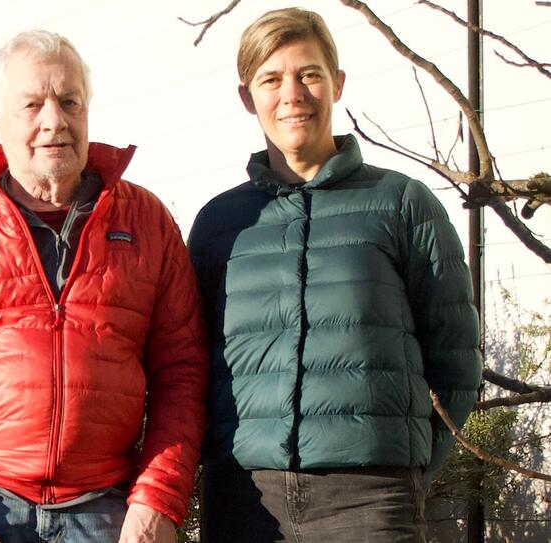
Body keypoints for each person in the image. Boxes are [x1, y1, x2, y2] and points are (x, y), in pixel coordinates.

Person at [0, 29, 209, 543]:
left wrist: (159, 500)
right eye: (32, 104)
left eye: (69, 100)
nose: (54, 120)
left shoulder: (145, 222)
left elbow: (182, 372)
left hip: (108, 512)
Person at [187, 8, 483, 542]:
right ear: (247, 97)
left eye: (309, 74)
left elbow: (457, 359)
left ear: (337, 83)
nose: (292, 94)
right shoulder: (218, 224)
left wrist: (410, 467)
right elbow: (188, 361)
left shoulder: (402, 204)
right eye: (271, 79)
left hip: (371, 500)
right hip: (243, 501)